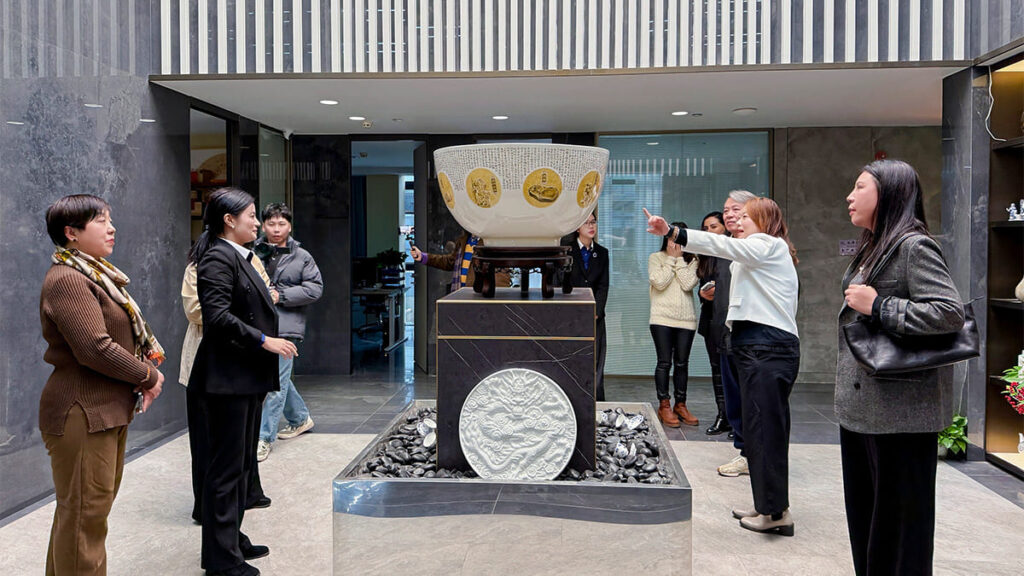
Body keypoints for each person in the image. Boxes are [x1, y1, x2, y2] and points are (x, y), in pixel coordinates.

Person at [837, 160, 964, 574]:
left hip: (901, 415)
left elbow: (948, 313)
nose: (850, 196)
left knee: (900, 528)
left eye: (859, 187)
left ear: (889, 193)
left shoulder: (914, 246)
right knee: (869, 521)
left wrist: (880, 305)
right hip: (864, 411)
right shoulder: (874, 244)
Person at [645, 198, 800, 537]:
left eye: (746, 217)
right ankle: (766, 504)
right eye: (737, 216)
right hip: (756, 345)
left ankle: (775, 513)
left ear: (766, 222)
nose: (738, 221)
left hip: (766, 345)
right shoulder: (756, 251)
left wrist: (674, 232)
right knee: (758, 430)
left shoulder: (767, 244)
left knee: (765, 432)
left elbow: (722, 245)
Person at [39, 194, 165, 574]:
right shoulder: (68, 279)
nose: (111, 228)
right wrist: (148, 375)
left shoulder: (96, 275)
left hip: (104, 410)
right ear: (71, 233)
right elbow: (95, 348)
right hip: (81, 410)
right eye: (101, 221)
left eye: (110, 219)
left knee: (82, 517)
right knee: (84, 518)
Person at [189, 187, 297, 576]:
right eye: (251, 215)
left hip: (245, 377)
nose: (257, 222)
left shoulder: (242, 255)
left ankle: (232, 539)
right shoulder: (217, 256)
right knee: (225, 469)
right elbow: (216, 317)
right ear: (228, 221)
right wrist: (264, 339)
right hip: (226, 379)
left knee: (241, 465)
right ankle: (221, 559)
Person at [180, 248, 275, 523]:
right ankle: (208, 509)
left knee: (245, 438)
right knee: (210, 445)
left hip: (249, 360)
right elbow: (198, 310)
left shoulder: (252, 258)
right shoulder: (202, 264)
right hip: (210, 363)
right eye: (250, 217)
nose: (256, 224)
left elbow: (268, 295)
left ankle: (247, 495)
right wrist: (246, 313)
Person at [254, 203, 323, 462]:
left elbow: (315, 289)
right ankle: (300, 418)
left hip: (287, 327)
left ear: (290, 226)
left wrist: (280, 295)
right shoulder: (253, 251)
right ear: (263, 225)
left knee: (275, 385)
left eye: (281, 224)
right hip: (258, 326)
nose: (276, 229)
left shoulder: (302, 256)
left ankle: (264, 438)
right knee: (278, 379)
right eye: (271, 223)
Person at [715, 190, 759, 477]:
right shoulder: (726, 245)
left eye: (737, 210)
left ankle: (750, 454)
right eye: (727, 210)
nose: (730, 215)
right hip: (724, 333)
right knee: (733, 397)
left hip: (750, 338)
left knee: (750, 399)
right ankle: (743, 448)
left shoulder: (760, 247)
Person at [648, 221, 700, 427]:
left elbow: (688, 283)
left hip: (686, 320)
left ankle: (681, 404)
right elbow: (659, 282)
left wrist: (679, 260)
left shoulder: (693, 260)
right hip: (661, 318)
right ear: (665, 238)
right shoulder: (655, 258)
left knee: (682, 363)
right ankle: (664, 405)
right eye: (671, 238)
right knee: (664, 362)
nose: (674, 243)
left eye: (678, 238)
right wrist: (671, 260)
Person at [561, 211, 610, 401]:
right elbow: (560, 284)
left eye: (594, 222)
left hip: (595, 317)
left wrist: (595, 312)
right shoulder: (566, 251)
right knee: (572, 357)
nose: (591, 226)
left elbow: (603, 286)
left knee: (596, 359)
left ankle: (596, 400)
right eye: (587, 223)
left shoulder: (602, 253)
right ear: (577, 228)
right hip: (571, 316)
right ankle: (572, 397)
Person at [696, 211, 732, 436]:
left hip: (730, 321)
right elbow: (701, 286)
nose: (709, 231)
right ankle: (723, 415)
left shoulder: (734, 251)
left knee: (732, 371)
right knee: (716, 370)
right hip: (711, 319)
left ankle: (735, 416)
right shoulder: (706, 255)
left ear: (725, 228)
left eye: (714, 227)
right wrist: (703, 293)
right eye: (706, 228)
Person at [409, 230, 510, 292]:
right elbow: (450, 262)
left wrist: (498, 299)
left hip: (480, 296)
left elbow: (500, 274)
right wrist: (423, 257)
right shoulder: (464, 240)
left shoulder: (491, 241)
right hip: (462, 293)